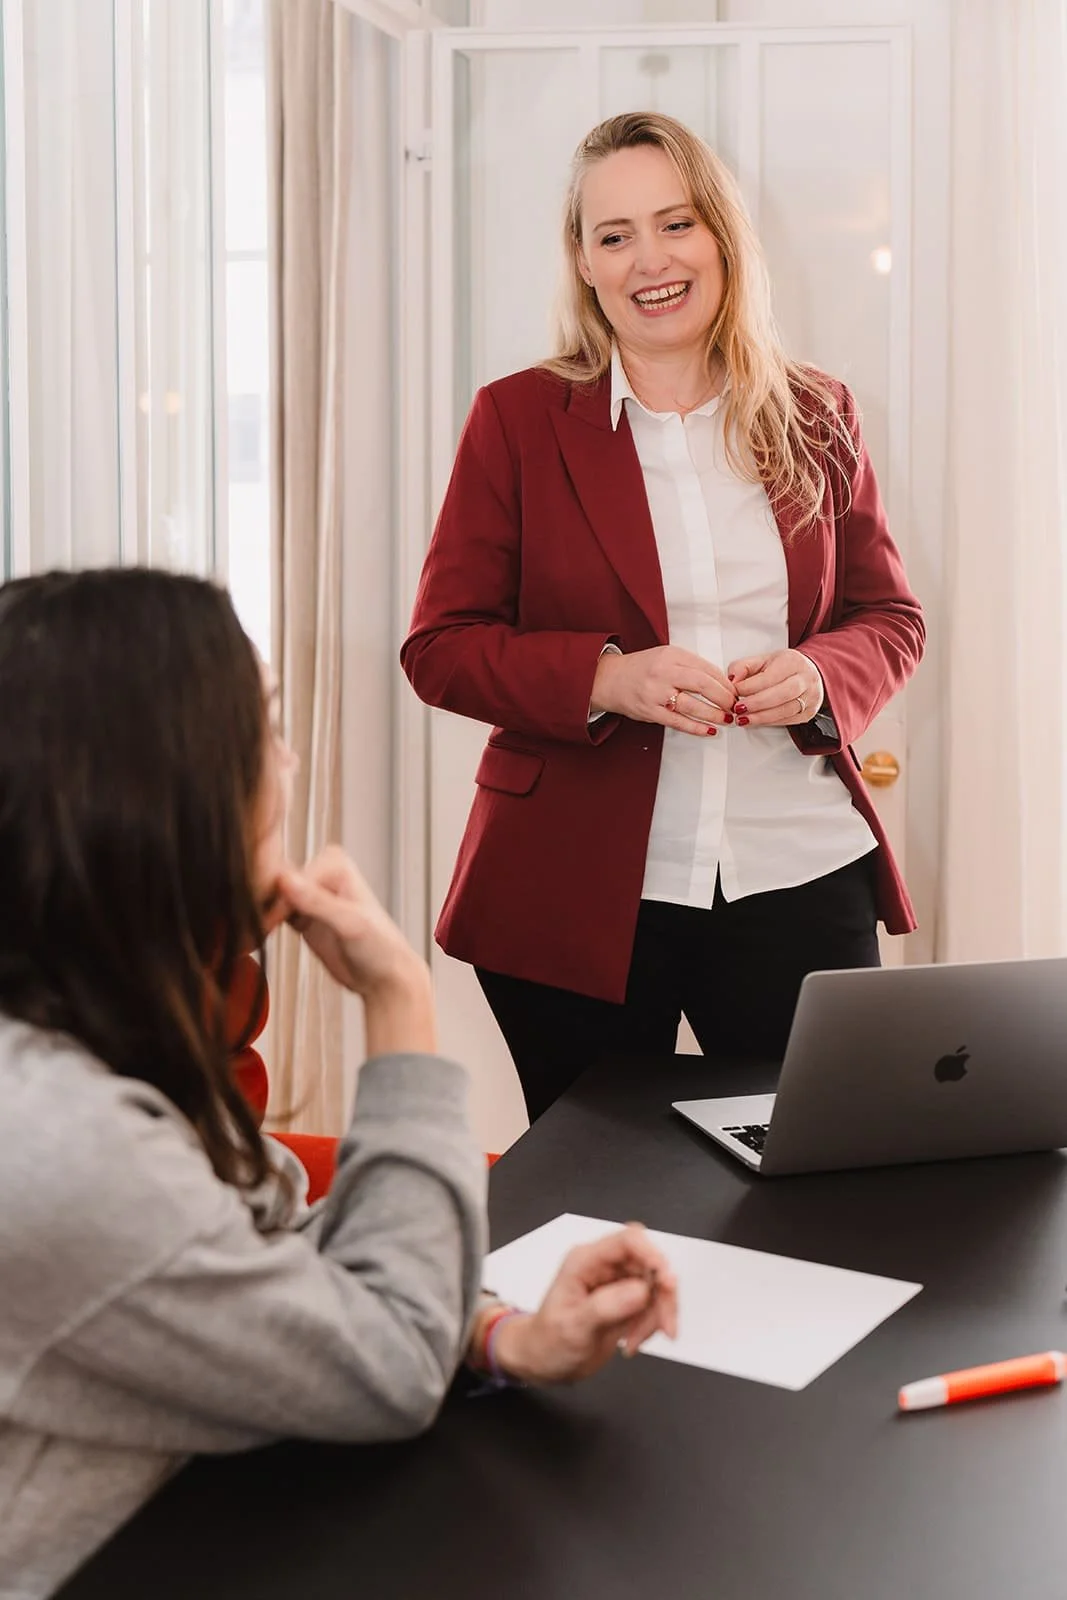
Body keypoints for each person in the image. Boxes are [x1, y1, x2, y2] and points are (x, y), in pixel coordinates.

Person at [0, 569, 677, 1600]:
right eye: (261, 729)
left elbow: (269, 1252)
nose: (287, 760)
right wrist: (401, 1004)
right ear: (159, 787)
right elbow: (388, 1359)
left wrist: (502, 1334)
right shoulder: (57, 1138)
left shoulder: (87, 1030)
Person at [401, 111, 925, 1123]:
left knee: (815, 1187)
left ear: (721, 238)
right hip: (574, 888)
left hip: (796, 870)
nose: (651, 258)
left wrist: (819, 676)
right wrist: (604, 678)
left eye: (675, 222)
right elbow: (439, 647)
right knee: (595, 1206)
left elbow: (886, 615)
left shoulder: (818, 413)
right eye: (614, 235)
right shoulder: (514, 420)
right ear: (583, 264)